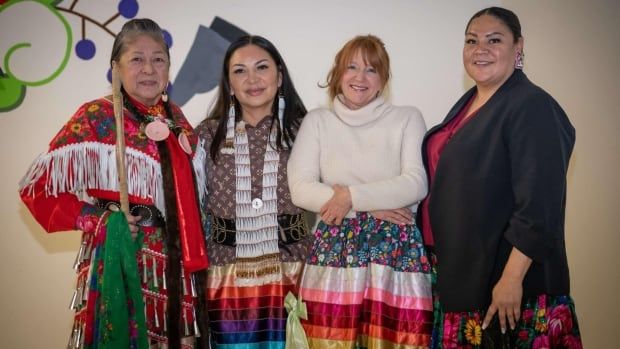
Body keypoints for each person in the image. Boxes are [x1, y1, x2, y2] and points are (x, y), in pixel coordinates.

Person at [19, 18, 209, 349]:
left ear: (168, 68)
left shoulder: (177, 120)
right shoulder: (96, 116)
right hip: (121, 257)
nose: (149, 68)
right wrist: (100, 221)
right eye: (136, 58)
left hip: (176, 267)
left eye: (158, 59)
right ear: (116, 68)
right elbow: (36, 190)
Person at [418, 7, 582, 348]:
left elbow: (540, 205)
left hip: (506, 286)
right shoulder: (470, 104)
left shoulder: (532, 105)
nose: (481, 49)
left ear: (518, 46)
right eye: (472, 40)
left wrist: (511, 278)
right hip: (462, 276)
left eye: (495, 40)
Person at [288, 35, 433, 348]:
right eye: (351, 67)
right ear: (339, 74)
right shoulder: (318, 121)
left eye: (371, 69)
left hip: (395, 250)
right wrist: (367, 207)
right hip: (334, 246)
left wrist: (349, 197)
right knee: (327, 340)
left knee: (396, 340)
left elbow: (415, 183)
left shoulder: (406, 118)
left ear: (383, 79)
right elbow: (300, 190)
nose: (360, 77)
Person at [194, 35, 311, 348]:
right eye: (240, 71)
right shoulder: (206, 135)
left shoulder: (309, 129)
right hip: (226, 275)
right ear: (229, 83)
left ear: (280, 75)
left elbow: (342, 185)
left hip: (294, 270)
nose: (252, 79)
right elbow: (187, 202)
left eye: (262, 67)